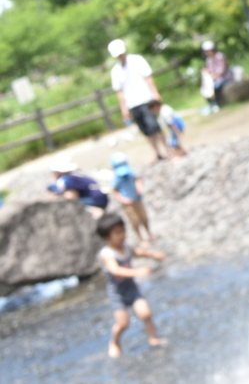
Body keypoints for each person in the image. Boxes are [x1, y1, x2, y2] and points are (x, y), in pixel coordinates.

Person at [96, 212, 167, 358]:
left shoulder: (125, 247)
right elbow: (115, 270)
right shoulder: (107, 253)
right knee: (123, 324)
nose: (122, 235)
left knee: (146, 314)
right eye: (117, 233)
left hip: (132, 289)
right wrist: (137, 272)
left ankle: (153, 338)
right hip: (118, 294)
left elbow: (138, 252)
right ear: (106, 237)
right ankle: (114, 342)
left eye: (123, 231)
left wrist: (154, 255)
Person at [109, 39, 169, 161]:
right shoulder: (116, 70)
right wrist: (124, 109)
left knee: (154, 127)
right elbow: (120, 92)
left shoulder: (137, 60)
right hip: (132, 103)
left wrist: (155, 93)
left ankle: (168, 149)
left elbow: (148, 78)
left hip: (146, 99)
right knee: (146, 130)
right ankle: (157, 153)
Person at [110, 152, 156, 245]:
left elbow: (137, 180)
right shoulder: (116, 178)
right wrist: (123, 200)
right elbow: (115, 191)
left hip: (137, 199)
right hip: (128, 203)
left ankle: (149, 234)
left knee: (144, 217)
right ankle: (141, 239)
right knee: (134, 221)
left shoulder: (130, 172)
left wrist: (139, 188)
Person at [201, 40, 230, 112]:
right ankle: (212, 104)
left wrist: (215, 75)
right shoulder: (209, 60)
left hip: (224, 78)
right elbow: (210, 70)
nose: (207, 53)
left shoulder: (220, 56)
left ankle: (217, 103)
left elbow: (222, 69)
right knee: (205, 89)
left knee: (215, 87)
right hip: (214, 79)